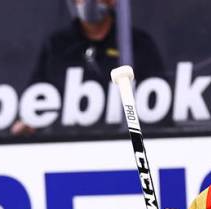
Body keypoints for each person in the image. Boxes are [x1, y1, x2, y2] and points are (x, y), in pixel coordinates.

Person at [12, 0, 165, 135]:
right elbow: (35, 103)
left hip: (122, 144)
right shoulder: (57, 45)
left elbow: (159, 105)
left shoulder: (136, 43)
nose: (89, 2)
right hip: (68, 148)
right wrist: (28, 125)